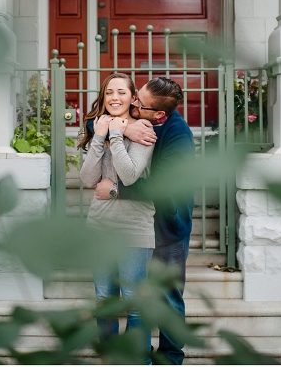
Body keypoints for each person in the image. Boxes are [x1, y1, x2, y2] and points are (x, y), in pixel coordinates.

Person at [93, 77, 195, 365]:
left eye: (139, 102)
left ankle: (171, 358)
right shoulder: (138, 118)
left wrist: (115, 190)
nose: (132, 102)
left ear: (159, 115)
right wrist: (123, 126)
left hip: (168, 228)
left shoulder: (178, 136)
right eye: (135, 95)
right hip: (137, 224)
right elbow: (96, 121)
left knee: (168, 297)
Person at [78, 73, 155, 363]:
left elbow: (130, 176)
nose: (114, 98)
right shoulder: (96, 128)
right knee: (104, 300)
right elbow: (87, 179)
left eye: (121, 92)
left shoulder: (143, 130)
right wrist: (99, 136)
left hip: (134, 227)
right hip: (100, 226)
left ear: (133, 97)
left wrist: (116, 134)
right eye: (109, 92)